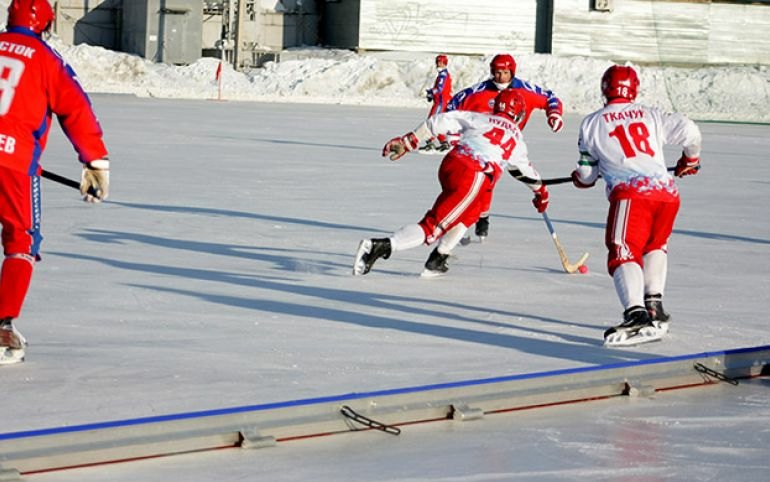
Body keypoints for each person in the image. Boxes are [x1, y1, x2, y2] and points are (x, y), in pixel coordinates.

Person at [0, 0, 110, 365]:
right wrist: (95, 163)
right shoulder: (46, 59)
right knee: (21, 242)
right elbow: (75, 108)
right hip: (14, 164)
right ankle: (1, 326)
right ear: (45, 27)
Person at [571, 65, 702, 346]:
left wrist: (581, 180)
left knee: (622, 249)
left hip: (632, 194)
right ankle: (653, 305)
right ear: (634, 89)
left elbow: (587, 175)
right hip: (666, 193)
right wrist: (690, 159)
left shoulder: (592, 123)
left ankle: (636, 314)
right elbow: (690, 130)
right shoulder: (650, 113)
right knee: (655, 245)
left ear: (604, 89)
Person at [353, 90, 549, 278]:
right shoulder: (517, 138)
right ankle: (379, 246)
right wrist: (541, 193)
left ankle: (439, 258)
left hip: (451, 164)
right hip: (474, 176)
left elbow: (440, 121)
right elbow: (524, 172)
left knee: (473, 210)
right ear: (520, 114)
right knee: (433, 227)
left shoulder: (480, 118)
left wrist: (408, 141)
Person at [447, 53, 563, 241]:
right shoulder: (477, 91)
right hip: (479, 144)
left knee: (492, 181)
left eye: (505, 72)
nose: (500, 77)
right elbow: (452, 105)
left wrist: (555, 114)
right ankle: (477, 220)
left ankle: (476, 219)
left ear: (513, 72)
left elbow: (550, 98)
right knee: (482, 182)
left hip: (509, 144)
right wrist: (452, 133)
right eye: (496, 72)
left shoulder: (526, 90)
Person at [421, 54, 453, 151]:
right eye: (437, 62)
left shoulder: (443, 75)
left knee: (432, 120)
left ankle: (430, 142)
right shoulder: (442, 74)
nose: (438, 64)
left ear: (445, 63)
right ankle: (443, 142)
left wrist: (431, 92)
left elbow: (439, 89)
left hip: (441, 102)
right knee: (438, 122)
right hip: (441, 101)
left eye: (441, 62)